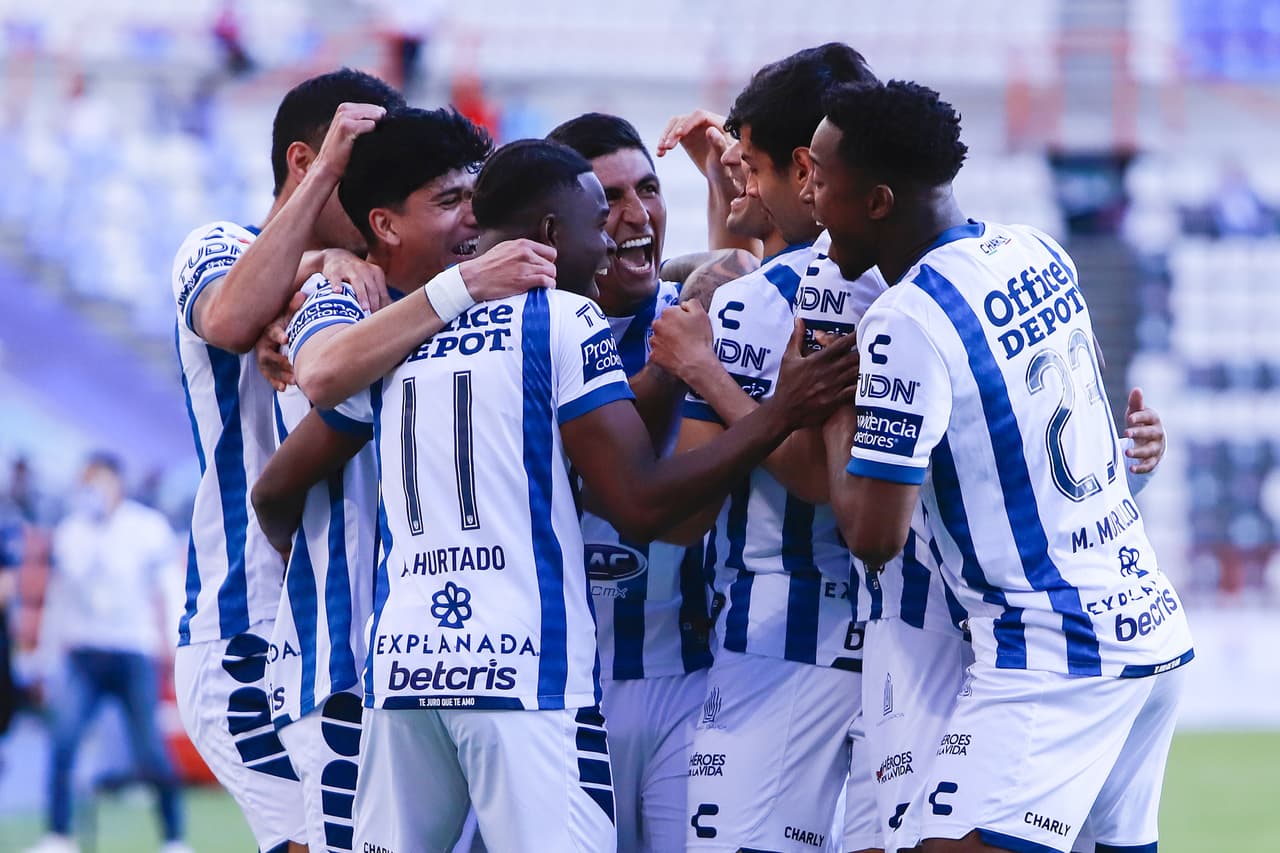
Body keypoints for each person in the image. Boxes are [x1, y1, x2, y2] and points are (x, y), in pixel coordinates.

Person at [286, 138, 859, 853]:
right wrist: (778, 410)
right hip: (523, 672)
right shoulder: (562, 317)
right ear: (553, 234)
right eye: (597, 220)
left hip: (402, 671)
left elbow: (281, 476)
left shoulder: (401, 330)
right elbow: (639, 503)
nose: (610, 239)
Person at [812, 79, 1194, 853]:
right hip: (1146, 622)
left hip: (1052, 654)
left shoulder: (908, 317)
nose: (814, 199)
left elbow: (873, 534)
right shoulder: (1036, 250)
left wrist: (821, 399)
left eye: (823, 178)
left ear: (878, 199)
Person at [252, 105, 533, 853]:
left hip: (460, 666)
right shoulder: (337, 297)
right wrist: (315, 569)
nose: (474, 217)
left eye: (477, 196)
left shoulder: (485, 307)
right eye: (450, 202)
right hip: (344, 669)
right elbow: (318, 375)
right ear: (384, 223)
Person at [647, 43, 885, 853]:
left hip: (775, 646)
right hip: (904, 650)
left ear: (804, 166)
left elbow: (683, 511)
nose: (740, 180)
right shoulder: (924, 276)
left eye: (749, 165)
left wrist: (696, 369)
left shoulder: (753, 304)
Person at [171, 68, 404, 853]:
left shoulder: (371, 283)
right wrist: (313, 265)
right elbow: (235, 317)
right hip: (243, 624)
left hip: (329, 626)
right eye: (361, 176)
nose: (383, 200)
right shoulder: (216, 245)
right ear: (307, 164)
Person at [547, 112, 741, 853]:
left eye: (649, 189)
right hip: (562, 695)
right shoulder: (528, 333)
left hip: (691, 682)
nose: (635, 215)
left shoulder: (698, 317)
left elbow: (757, 271)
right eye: (609, 198)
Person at [24, 455, 189, 853]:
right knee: (63, 740)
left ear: (116, 481)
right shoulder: (71, 531)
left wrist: (173, 641)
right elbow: (60, 597)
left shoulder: (146, 527)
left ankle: (173, 838)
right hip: (84, 652)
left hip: (133, 650)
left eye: (97, 480)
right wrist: (46, 655)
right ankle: (58, 835)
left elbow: (167, 588)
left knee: (150, 748)